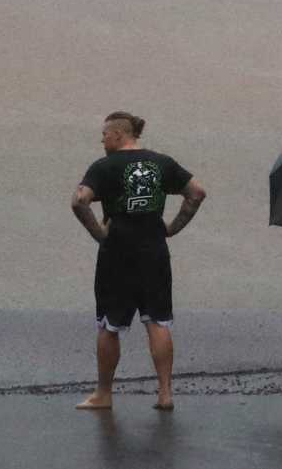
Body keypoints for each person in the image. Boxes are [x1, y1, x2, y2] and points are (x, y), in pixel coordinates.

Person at [70, 110, 205, 412]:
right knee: (157, 321)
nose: (102, 140)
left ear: (118, 134)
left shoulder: (105, 166)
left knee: (110, 325)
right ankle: (166, 393)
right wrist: (172, 228)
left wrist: (99, 235)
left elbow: (79, 200)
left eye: (104, 134)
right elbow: (197, 192)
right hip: (154, 249)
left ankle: (104, 394)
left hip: (117, 251)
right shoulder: (162, 162)